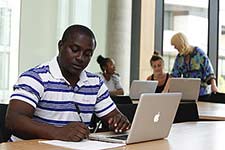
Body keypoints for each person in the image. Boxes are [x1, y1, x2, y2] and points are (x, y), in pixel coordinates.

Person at [5, 25, 130, 142]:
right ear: (60, 46)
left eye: (87, 54)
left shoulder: (95, 83)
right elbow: (13, 120)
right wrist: (57, 132)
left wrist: (119, 121)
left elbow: (113, 116)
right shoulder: (36, 77)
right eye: (75, 50)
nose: (80, 58)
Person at [170, 32, 218, 97]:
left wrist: (214, 86)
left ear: (180, 43)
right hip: (187, 93)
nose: (174, 47)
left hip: (202, 93)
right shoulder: (179, 57)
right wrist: (165, 90)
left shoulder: (199, 53)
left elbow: (209, 72)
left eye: (175, 45)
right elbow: (173, 76)